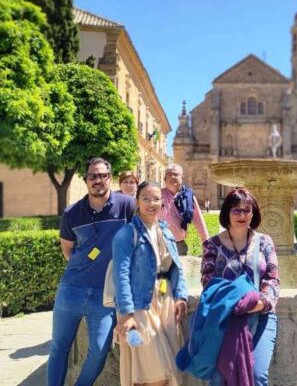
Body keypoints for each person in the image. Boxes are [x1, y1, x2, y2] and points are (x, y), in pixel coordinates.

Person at [48, 158, 137, 386]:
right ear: (86, 180)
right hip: (71, 291)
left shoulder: (127, 206)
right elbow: (67, 249)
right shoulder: (72, 213)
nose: (98, 180)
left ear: (110, 177)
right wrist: (86, 266)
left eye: (102, 175)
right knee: (59, 348)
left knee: (98, 351)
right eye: (92, 176)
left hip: (104, 297)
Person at [200, 188, 280, 385]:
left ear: (253, 213)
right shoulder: (213, 245)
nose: (242, 215)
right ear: (227, 212)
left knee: (257, 375)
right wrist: (233, 304)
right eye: (236, 210)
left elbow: (273, 280)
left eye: (247, 210)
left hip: (261, 316)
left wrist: (259, 303)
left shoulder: (264, 242)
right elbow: (208, 281)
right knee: (219, 377)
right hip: (224, 318)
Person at [112, 181, 189, 386]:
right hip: (140, 304)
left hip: (164, 302)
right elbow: (121, 275)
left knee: (169, 369)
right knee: (153, 371)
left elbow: (176, 268)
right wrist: (127, 313)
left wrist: (181, 297)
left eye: (156, 198)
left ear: (162, 203)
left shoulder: (165, 231)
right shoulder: (126, 233)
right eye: (145, 198)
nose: (151, 203)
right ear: (137, 201)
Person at [159, 163, 209, 255]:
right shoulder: (158, 195)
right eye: (169, 174)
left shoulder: (188, 197)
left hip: (178, 246)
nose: (172, 177)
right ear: (165, 179)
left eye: (176, 174)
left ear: (182, 178)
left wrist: (206, 242)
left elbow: (198, 219)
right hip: (158, 244)